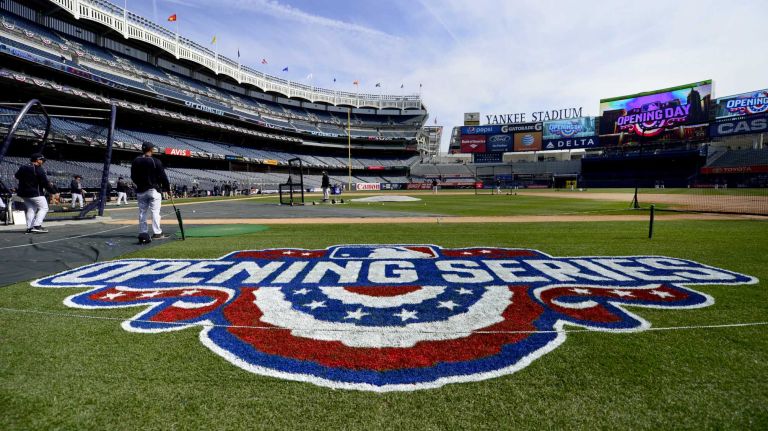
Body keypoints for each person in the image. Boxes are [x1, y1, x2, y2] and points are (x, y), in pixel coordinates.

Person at [131, 143, 170, 240]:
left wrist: (139, 184)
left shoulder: (136, 160)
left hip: (141, 191)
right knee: (155, 212)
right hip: (153, 190)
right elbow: (163, 177)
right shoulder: (155, 161)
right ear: (151, 149)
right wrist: (167, 189)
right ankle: (157, 233)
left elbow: (133, 177)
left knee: (142, 212)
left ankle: (143, 232)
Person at [14, 153, 55, 233]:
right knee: (44, 208)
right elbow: (44, 182)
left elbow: (16, 176)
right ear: (37, 160)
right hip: (35, 192)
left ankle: (30, 227)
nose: (43, 162)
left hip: (23, 193)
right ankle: (37, 225)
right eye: (42, 160)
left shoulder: (23, 167)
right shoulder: (38, 168)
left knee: (31, 209)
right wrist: (53, 191)